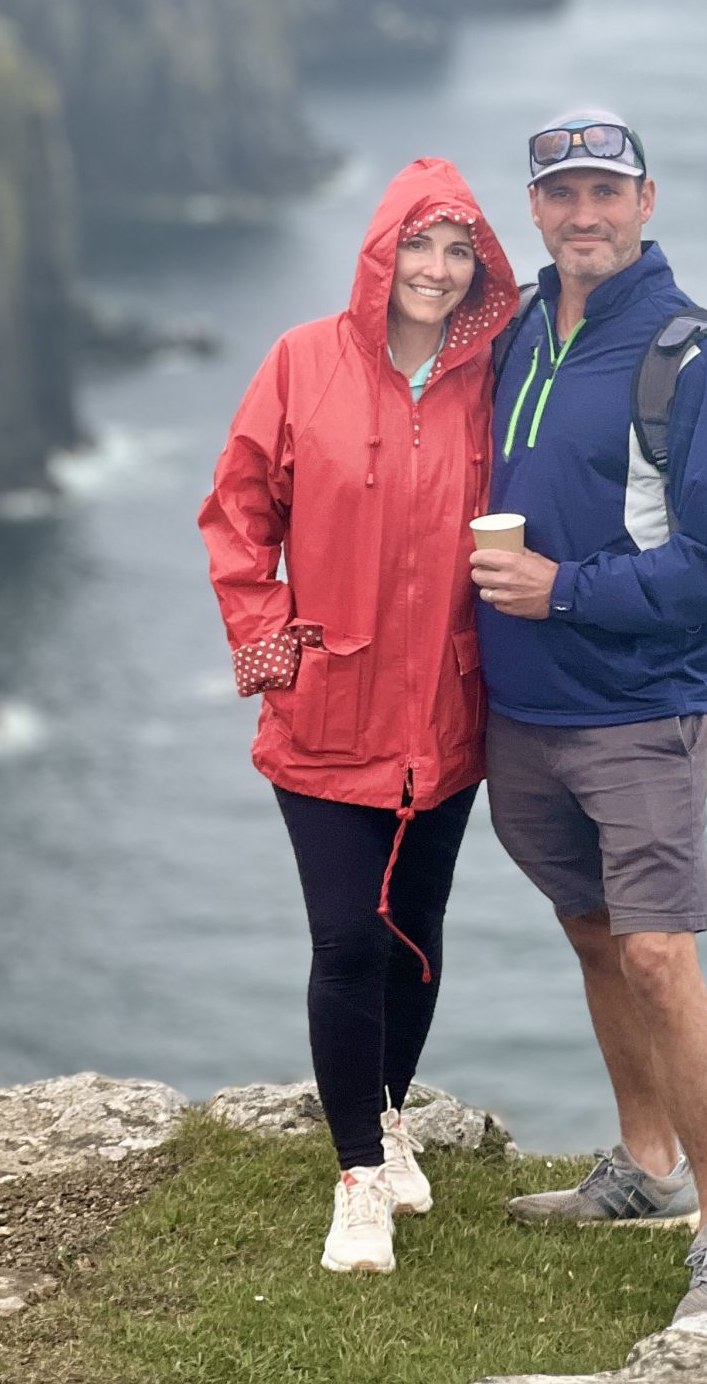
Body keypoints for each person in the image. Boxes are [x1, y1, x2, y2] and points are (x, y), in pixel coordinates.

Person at [470, 110, 707, 1324]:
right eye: (562, 196)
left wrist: (563, 592)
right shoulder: (514, 339)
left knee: (658, 953)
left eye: (607, 192)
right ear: (536, 211)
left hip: (639, 711)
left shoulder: (700, 359)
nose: (584, 214)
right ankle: (645, 1167)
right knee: (595, 933)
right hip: (523, 708)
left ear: (647, 203)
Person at [199, 157, 516, 1276]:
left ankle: (386, 1115)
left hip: (450, 711)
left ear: (480, 264)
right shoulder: (302, 363)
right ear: (382, 254)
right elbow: (238, 511)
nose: (435, 269)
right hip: (329, 707)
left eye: (457, 248)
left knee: (411, 938)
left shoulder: (495, 377)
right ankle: (357, 1183)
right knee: (343, 937)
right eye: (418, 245)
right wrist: (276, 649)